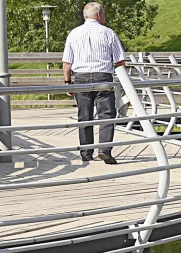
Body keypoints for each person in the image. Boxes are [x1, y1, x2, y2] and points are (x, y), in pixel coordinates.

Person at [62, 2, 126, 164]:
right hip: (103, 77)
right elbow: (119, 61)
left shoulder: (74, 34)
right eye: (103, 13)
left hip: (81, 78)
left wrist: (68, 82)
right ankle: (104, 150)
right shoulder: (108, 33)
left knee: (84, 116)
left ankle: (86, 153)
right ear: (98, 15)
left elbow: (67, 63)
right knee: (107, 114)